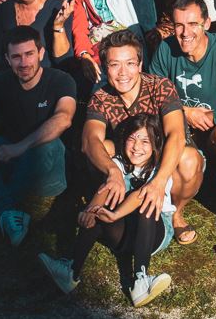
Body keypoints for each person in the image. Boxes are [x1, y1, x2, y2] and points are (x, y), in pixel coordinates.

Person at [39, 114, 175, 306]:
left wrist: (115, 214)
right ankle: (71, 271)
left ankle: (140, 280)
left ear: (155, 144)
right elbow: (105, 190)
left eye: (145, 141)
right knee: (98, 208)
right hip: (123, 235)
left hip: (153, 235)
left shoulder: (160, 170)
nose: (137, 147)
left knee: (147, 205)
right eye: (132, 139)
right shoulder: (118, 163)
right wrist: (90, 211)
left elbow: (141, 195)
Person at [0, 26, 77, 247]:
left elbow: (64, 118)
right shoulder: (0, 81)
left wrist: (20, 147)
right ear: (8, 59)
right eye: (16, 57)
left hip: (48, 170)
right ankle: (5, 209)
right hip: (12, 157)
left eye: (29, 54)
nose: (24, 63)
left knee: (48, 146)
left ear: (41, 54)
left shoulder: (61, 80)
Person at [83, 30, 203, 245]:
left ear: (139, 65)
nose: (123, 73)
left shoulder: (160, 86)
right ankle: (116, 196)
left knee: (189, 158)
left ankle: (175, 212)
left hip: (166, 155)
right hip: (132, 155)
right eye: (114, 65)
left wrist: (159, 181)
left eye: (129, 63)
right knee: (104, 148)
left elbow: (176, 134)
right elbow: (90, 140)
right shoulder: (101, 97)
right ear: (105, 68)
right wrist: (112, 171)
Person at [149, 0, 216, 162]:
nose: (185, 33)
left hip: (213, 126)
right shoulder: (166, 48)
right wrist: (185, 112)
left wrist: (206, 118)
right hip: (176, 124)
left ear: (206, 24)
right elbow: (151, 93)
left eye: (193, 24)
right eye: (179, 25)